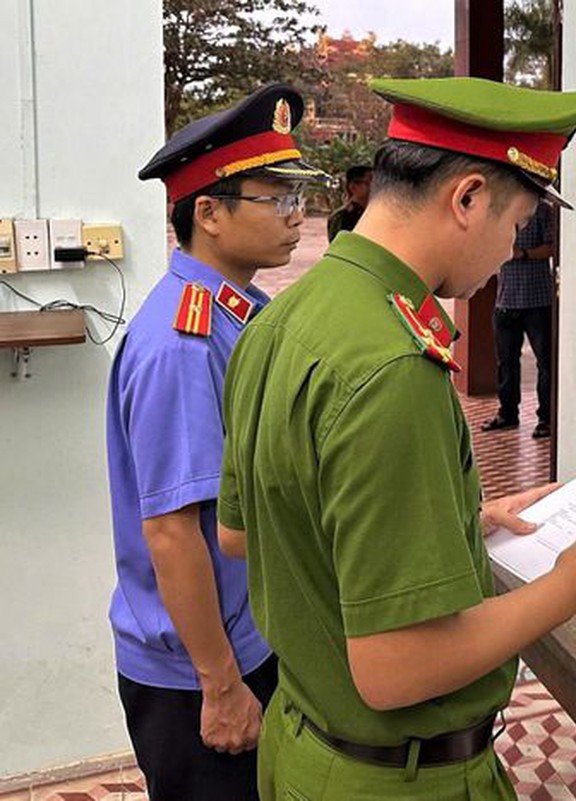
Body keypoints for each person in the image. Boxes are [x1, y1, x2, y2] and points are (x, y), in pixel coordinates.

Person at [217, 76, 576, 800]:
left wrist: (457, 520)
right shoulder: (392, 365)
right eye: (514, 227)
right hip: (395, 778)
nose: (511, 252)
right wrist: (568, 589)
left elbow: (243, 530)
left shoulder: (282, 319)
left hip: (305, 744)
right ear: (468, 197)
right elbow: (395, 669)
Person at [107, 84, 329, 800]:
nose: (297, 216)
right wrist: (222, 684)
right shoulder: (182, 342)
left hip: (246, 639)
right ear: (208, 212)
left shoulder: (240, 311)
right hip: (201, 670)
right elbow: (172, 532)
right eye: (277, 198)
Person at [482, 201, 557, 438]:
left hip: (538, 300)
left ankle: (546, 418)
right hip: (504, 301)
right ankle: (507, 414)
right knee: (506, 363)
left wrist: (522, 254)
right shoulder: (499, 211)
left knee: (546, 364)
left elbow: (552, 248)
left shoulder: (543, 211)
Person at [326, 164, 373, 241]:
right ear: (353, 187)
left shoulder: (376, 213)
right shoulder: (340, 217)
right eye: (369, 182)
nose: (375, 187)